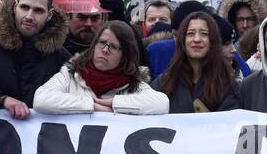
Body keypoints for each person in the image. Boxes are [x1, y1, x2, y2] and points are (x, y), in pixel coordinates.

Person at [35, 20, 168, 115]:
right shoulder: (71, 73)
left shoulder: (133, 83)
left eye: (114, 47)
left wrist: (114, 103)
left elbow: (162, 103)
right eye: (102, 43)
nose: (105, 50)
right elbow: (41, 99)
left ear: (125, 55)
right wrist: (92, 105)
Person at [151, 10, 238, 113]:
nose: (197, 39)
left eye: (204, 34)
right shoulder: (163, 83)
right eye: (190, 33)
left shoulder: (229, 87)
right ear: (182, 40)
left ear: (213, 41)